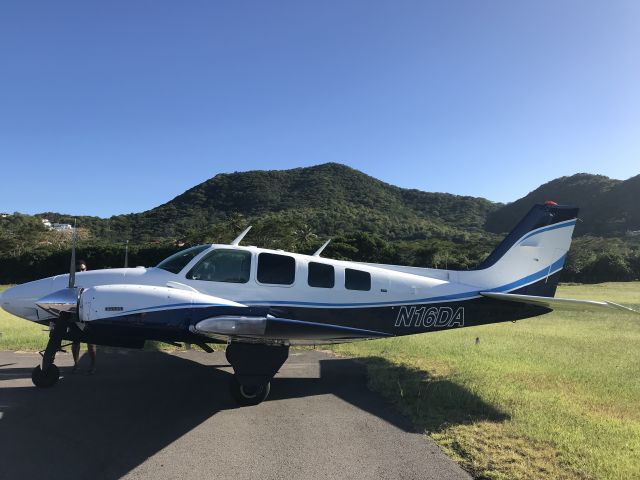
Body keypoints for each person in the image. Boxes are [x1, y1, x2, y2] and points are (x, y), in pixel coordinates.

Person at [71, 260, 97, 374]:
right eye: (78, 269)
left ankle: (93, 365)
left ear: (86, 269)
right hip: (76, 315)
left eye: (82, 269)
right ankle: (76, 364)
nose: (80, 271)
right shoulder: (72, 281)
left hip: (88, 315)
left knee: (91, 343)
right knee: (75, 342)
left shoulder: (91, 282)